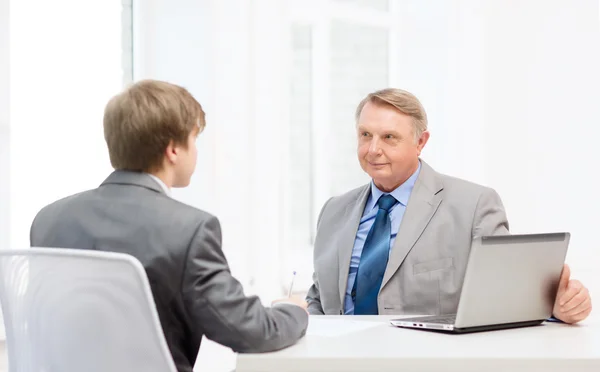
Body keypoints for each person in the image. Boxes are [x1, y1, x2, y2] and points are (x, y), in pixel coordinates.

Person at [30, 80, 308, 372]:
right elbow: (250, 331)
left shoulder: (48, 220)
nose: (196, 151)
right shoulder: (190, 230)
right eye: (194, 139)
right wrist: (292, 311)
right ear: (173, 150)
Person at [306, 88, 592, 324]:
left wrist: (557, 308)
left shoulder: (473, 207)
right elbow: (320, 299)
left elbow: (507, 300)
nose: (373, 149)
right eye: (365, 135)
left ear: (420, 142)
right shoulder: (333, 212)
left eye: (389, 137)